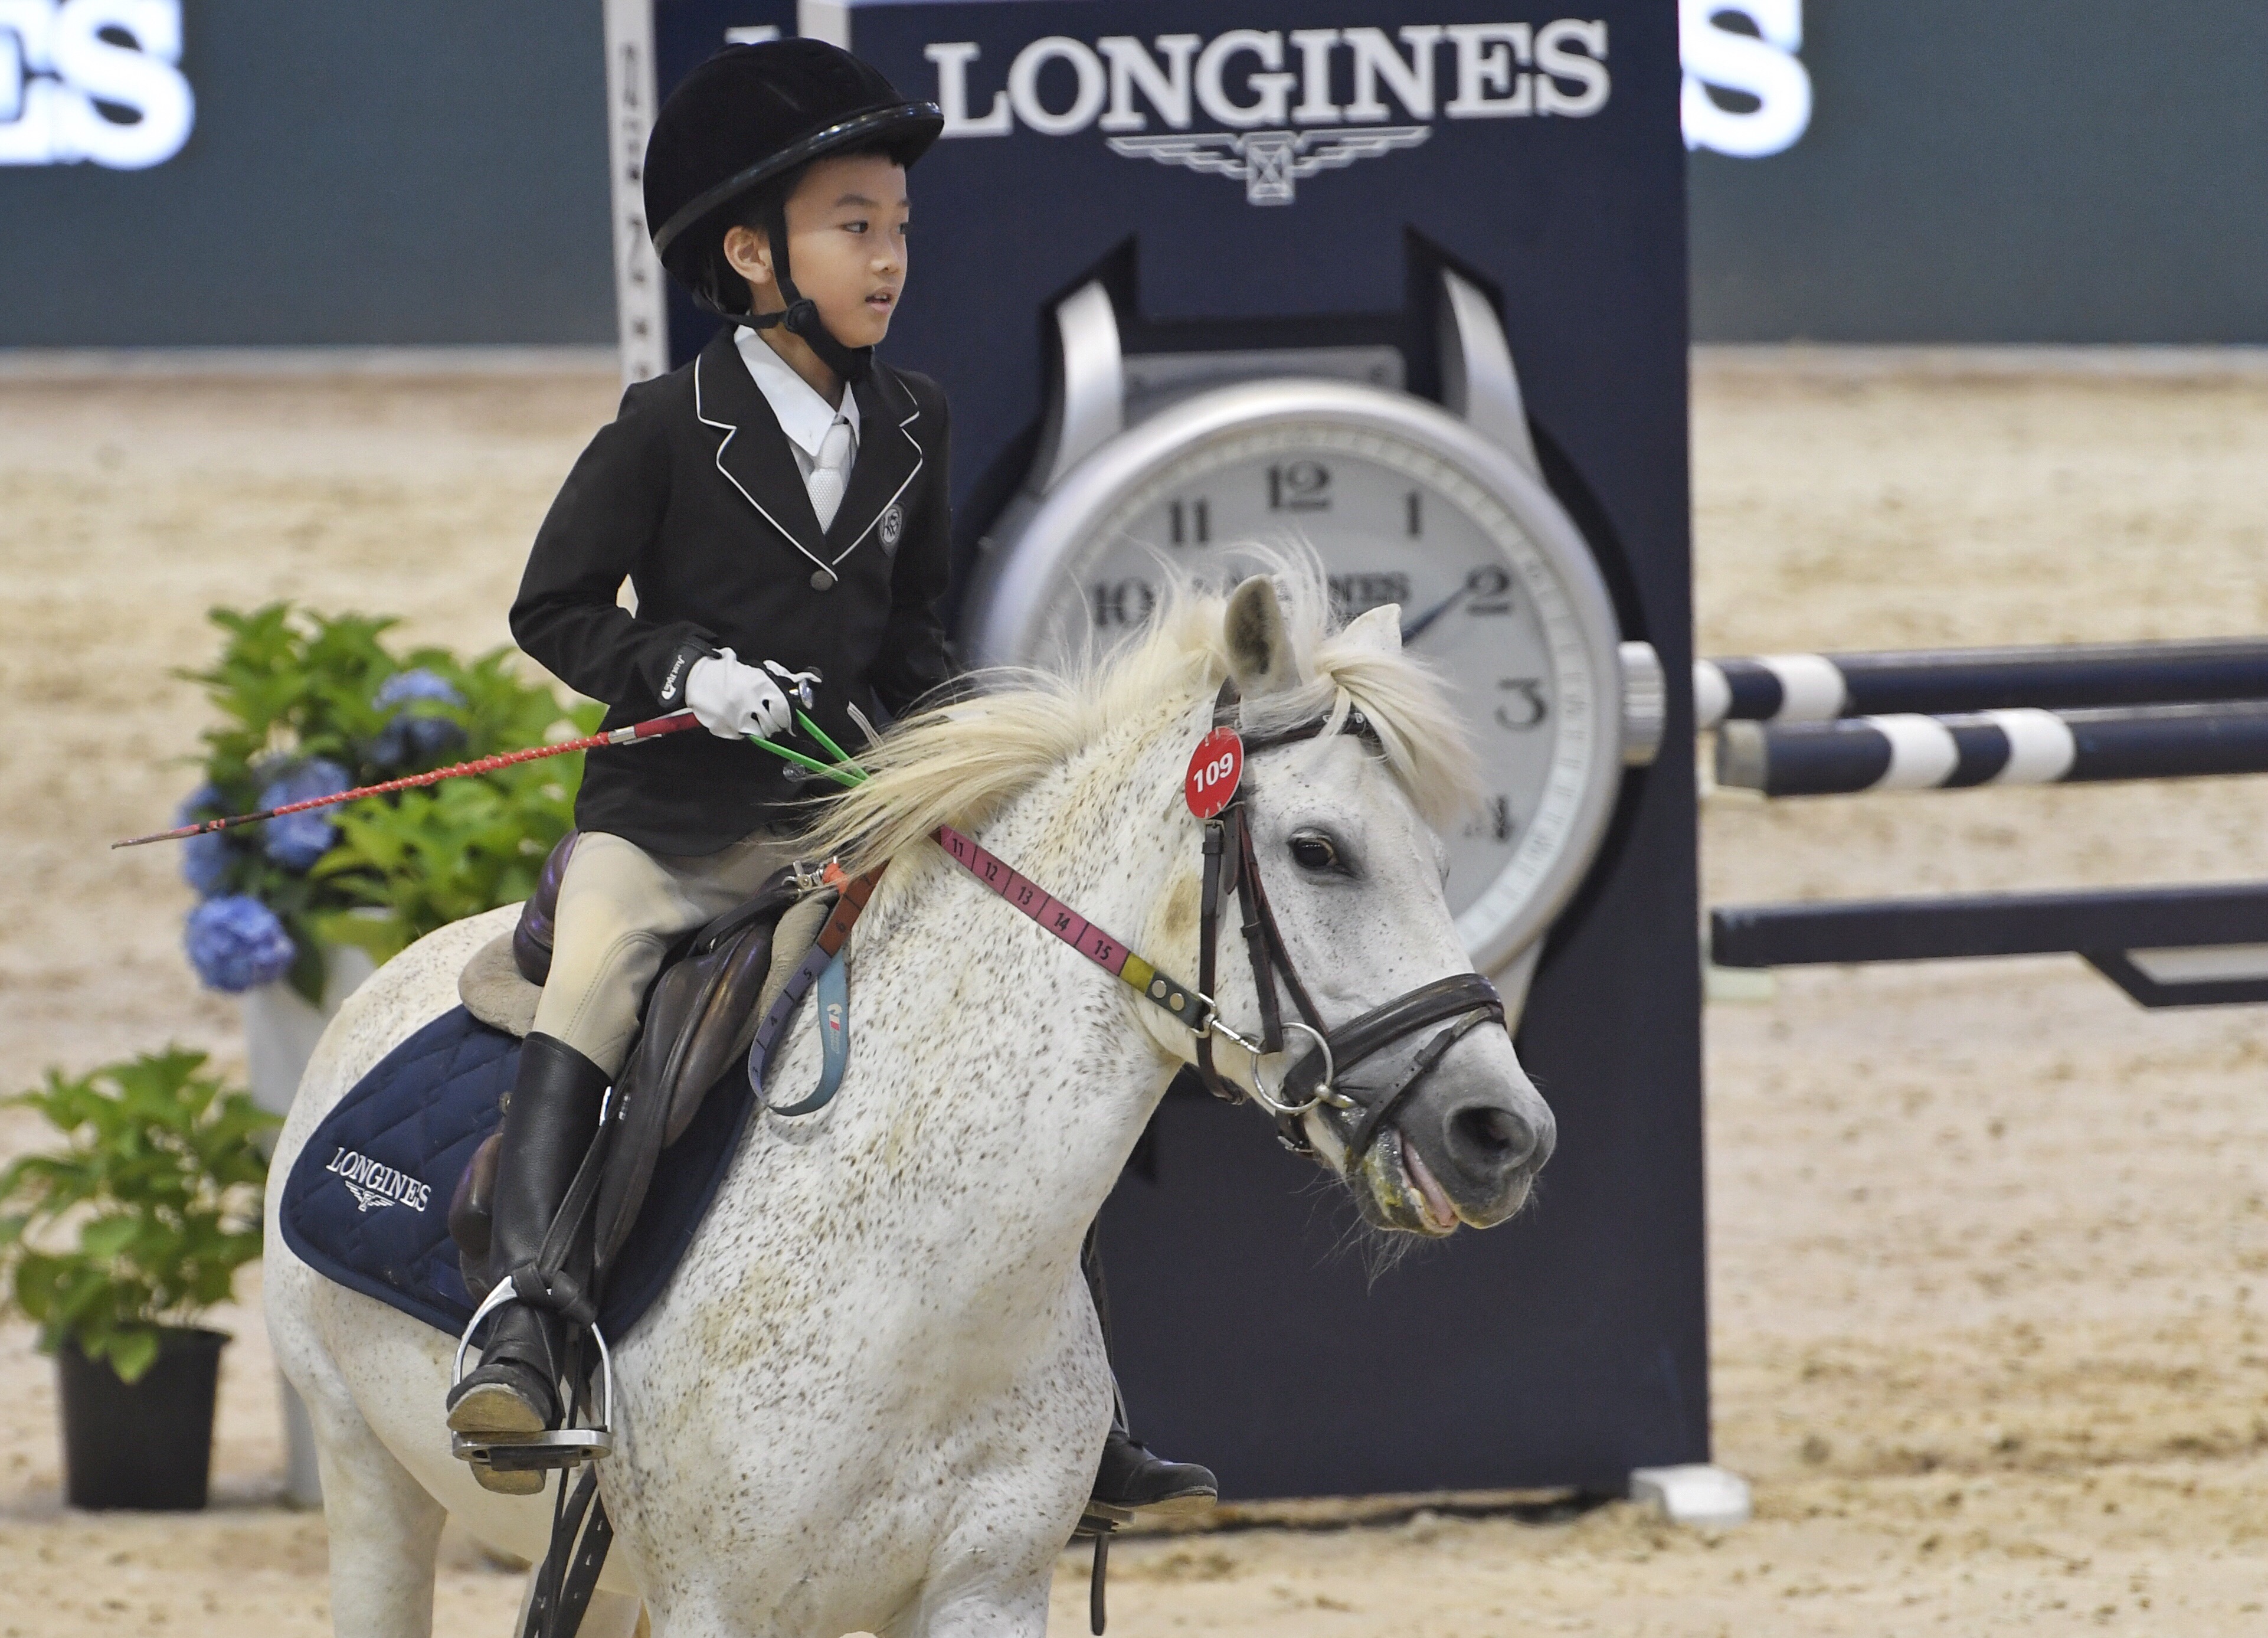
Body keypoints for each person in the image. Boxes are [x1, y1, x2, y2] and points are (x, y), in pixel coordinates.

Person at [447, 38, 1215, 1519]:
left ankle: (1078, 1389)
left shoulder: (913, 420)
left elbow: (913, 633)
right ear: (751, 254)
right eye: (853, 226)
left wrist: (970, 753)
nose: (888, 258)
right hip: (669, 826)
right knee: (599, 973)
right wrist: (681, 669)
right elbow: (552, 611)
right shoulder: (664, 426)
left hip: (838, 816)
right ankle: (530, 1315)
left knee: (1006, 1022)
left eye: (899, 229)